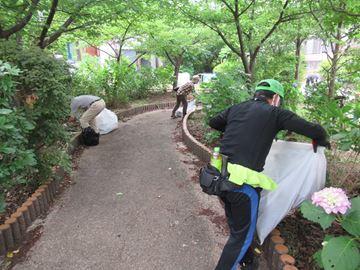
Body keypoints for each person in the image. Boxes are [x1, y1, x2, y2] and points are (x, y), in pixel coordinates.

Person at [209, 79, 329, 270]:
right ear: (275, 98)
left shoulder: (237, 108)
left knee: (238, 228)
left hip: (219, 179)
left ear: (257, 93)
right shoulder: (275, 113)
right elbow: (314, 130)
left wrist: (239, 129)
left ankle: (248, 262)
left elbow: (213, 121)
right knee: (240, 237)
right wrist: (322, 140)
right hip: (242, 187)